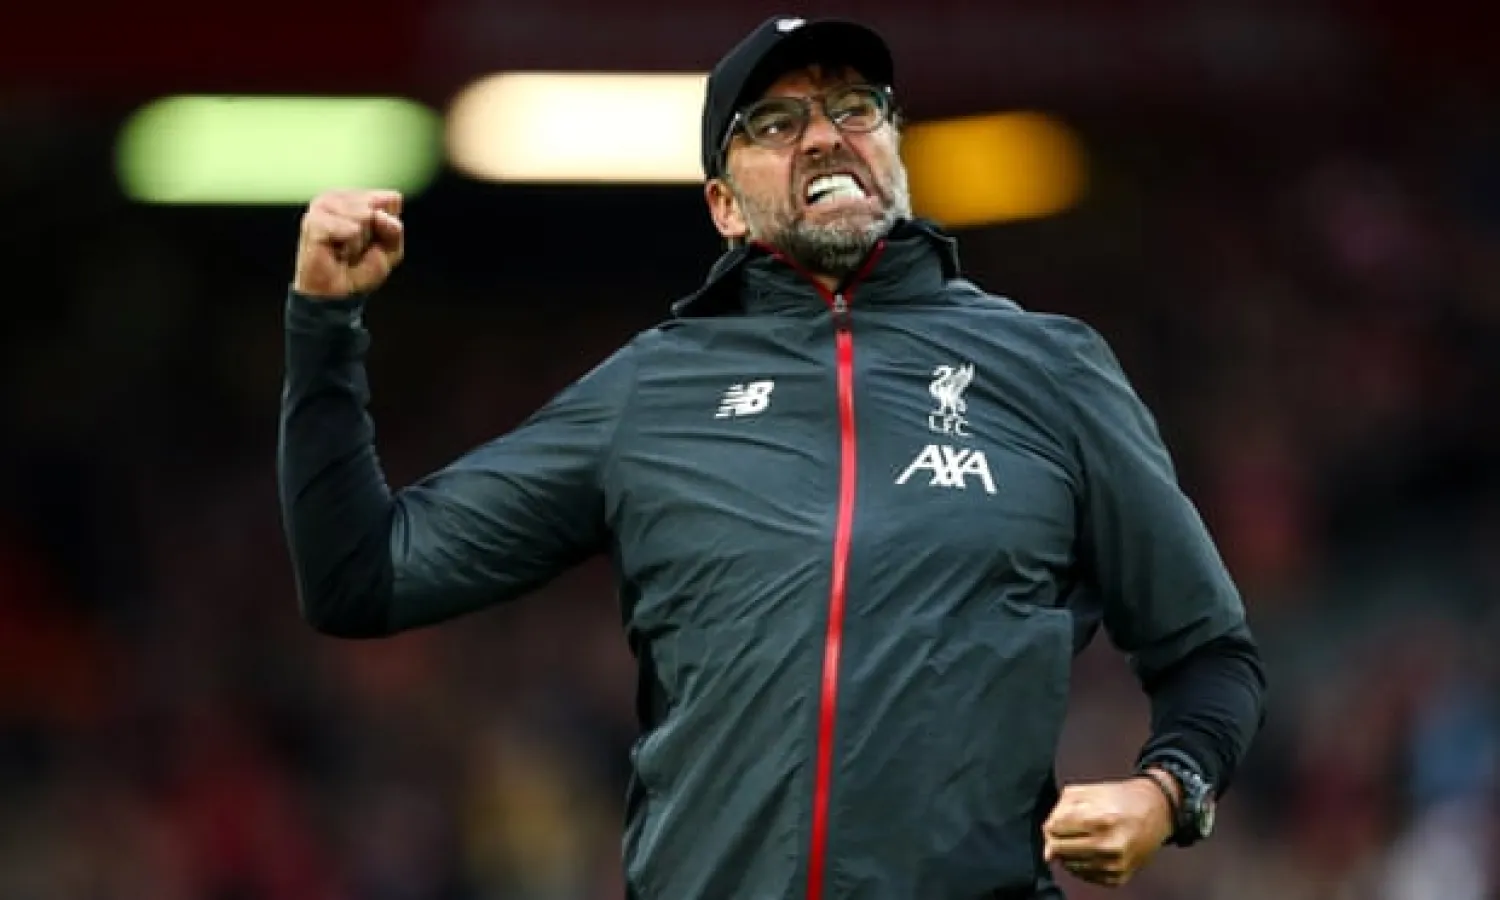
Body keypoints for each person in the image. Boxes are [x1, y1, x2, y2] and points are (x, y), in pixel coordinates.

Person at [277, 14, 1266, 900]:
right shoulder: (650, 391)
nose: (827, 134)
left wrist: (1167, 793)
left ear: (895, 145)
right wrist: (325, 323)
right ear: (723, 205)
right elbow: (362, 577)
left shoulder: (1048, 366)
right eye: (775, 123)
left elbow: (1210, 658)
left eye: (853, 107)